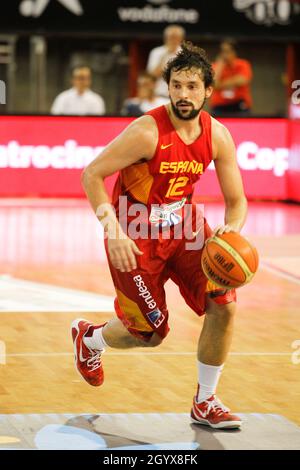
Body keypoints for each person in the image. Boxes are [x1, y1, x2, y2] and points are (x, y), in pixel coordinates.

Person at [71, 42, 248, 429]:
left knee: (225, 301)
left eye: (192, 86)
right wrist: (112, 230)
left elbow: (237, 202)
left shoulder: (217, 135)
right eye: (177, 85)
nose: (184, 94)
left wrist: (230, 231)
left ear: (207, 91)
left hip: (185, 227)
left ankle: (206, 400)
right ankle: (90, 339)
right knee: (149, 334)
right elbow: (91, 175)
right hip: (134, 232)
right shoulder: (146, 131)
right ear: (168, 88)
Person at [210, 39, 253, 117]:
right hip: (219, 106)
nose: (224, 55)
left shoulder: (243, 64)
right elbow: (213, 84)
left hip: (239, 104)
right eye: (222, 51)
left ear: (234, 52)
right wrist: (220, 66)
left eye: (227, 51)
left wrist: (220, 85)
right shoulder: (215, 66)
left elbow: (242, 80)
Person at [146, 25, 186, 98]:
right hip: (159, 95)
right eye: (171, 37)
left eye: (176, 37)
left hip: (179, 95)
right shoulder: (156, 52)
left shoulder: (185, 53)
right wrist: (166, 55)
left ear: (181, 38)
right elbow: (151, 76)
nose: (174, 40)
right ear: (166, 38)